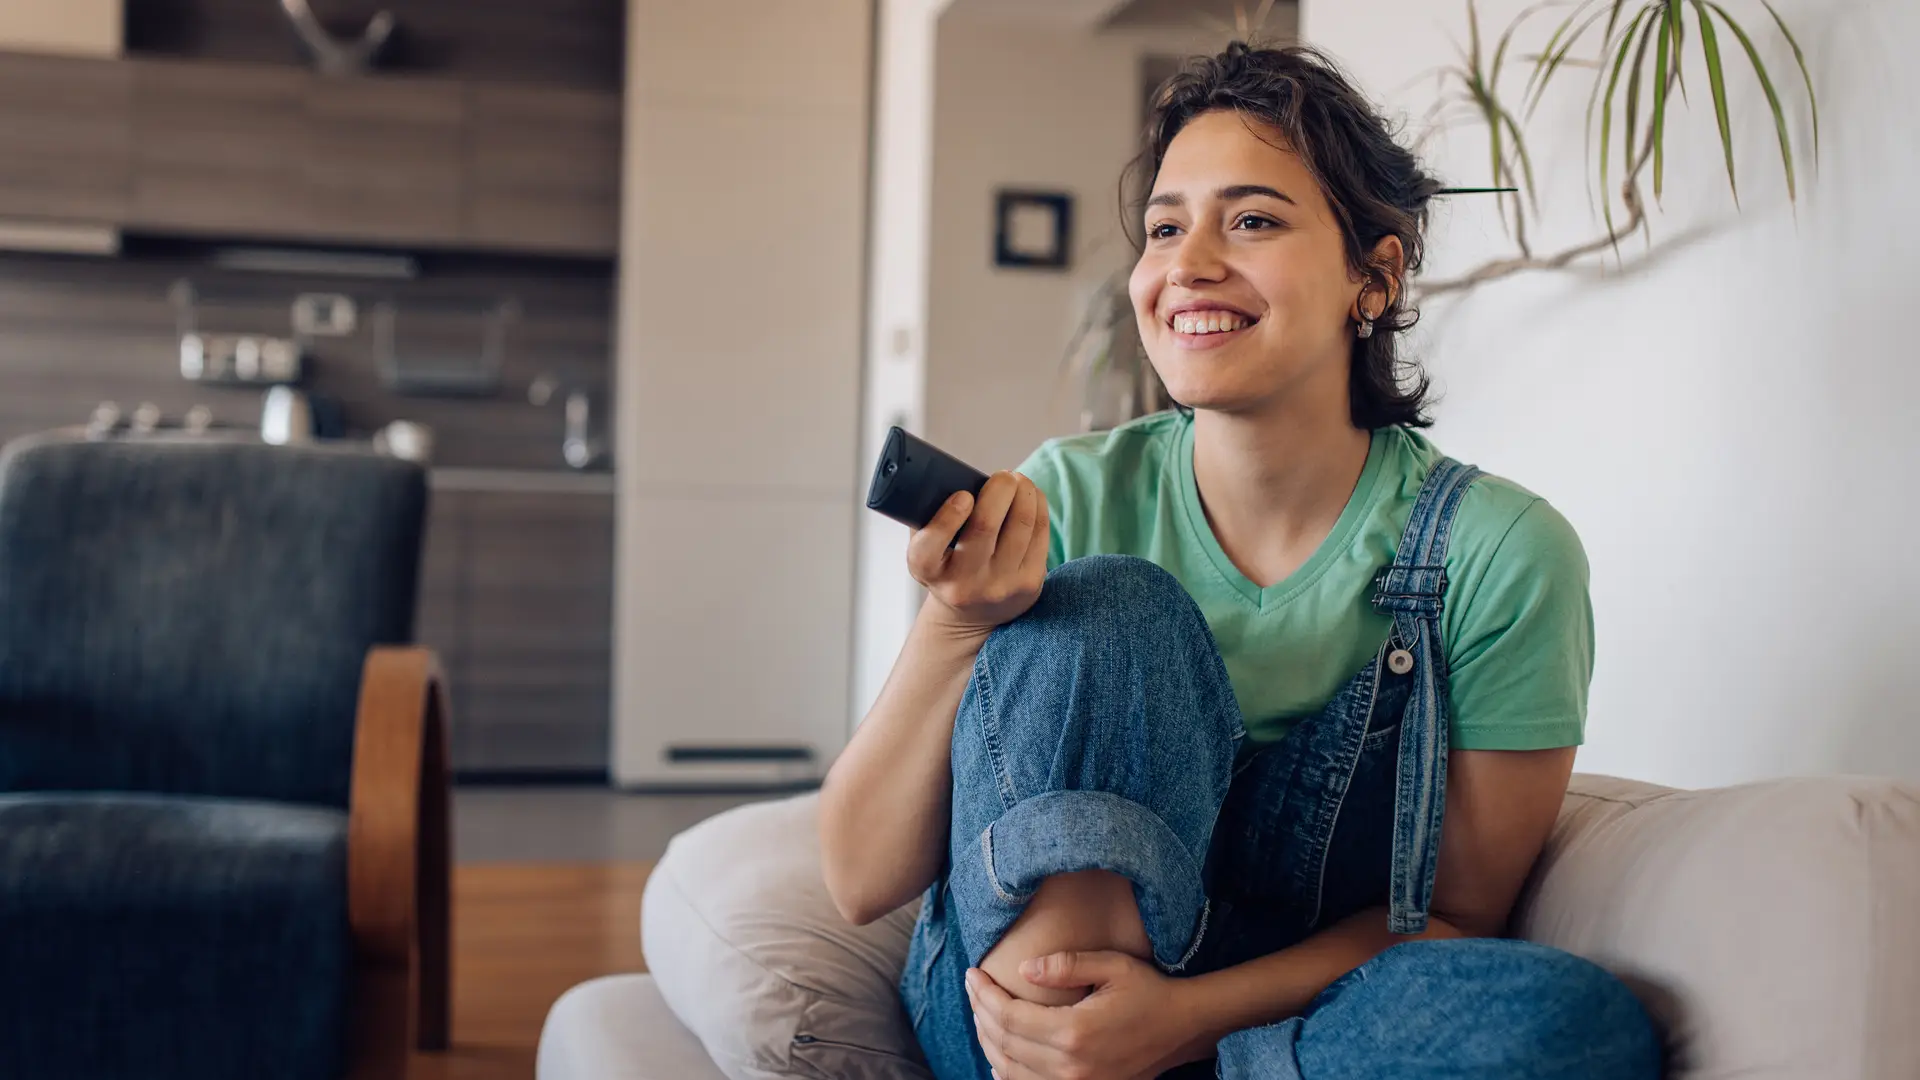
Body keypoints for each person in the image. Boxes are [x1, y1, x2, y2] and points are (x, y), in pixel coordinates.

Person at [819, 41, 1660, 1080]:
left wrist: (1183, 1019)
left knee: (1571, 1026)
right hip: (1020, 1022)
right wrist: (954, 625)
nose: (1188, 264)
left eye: (1252, 220)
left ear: (1375, 275)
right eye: (1166, 227)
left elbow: (1451, 917)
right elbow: (858, 880)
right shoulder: (1071, 495)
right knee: (1116, 608)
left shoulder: (1500, 553)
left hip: (1274, 1015)